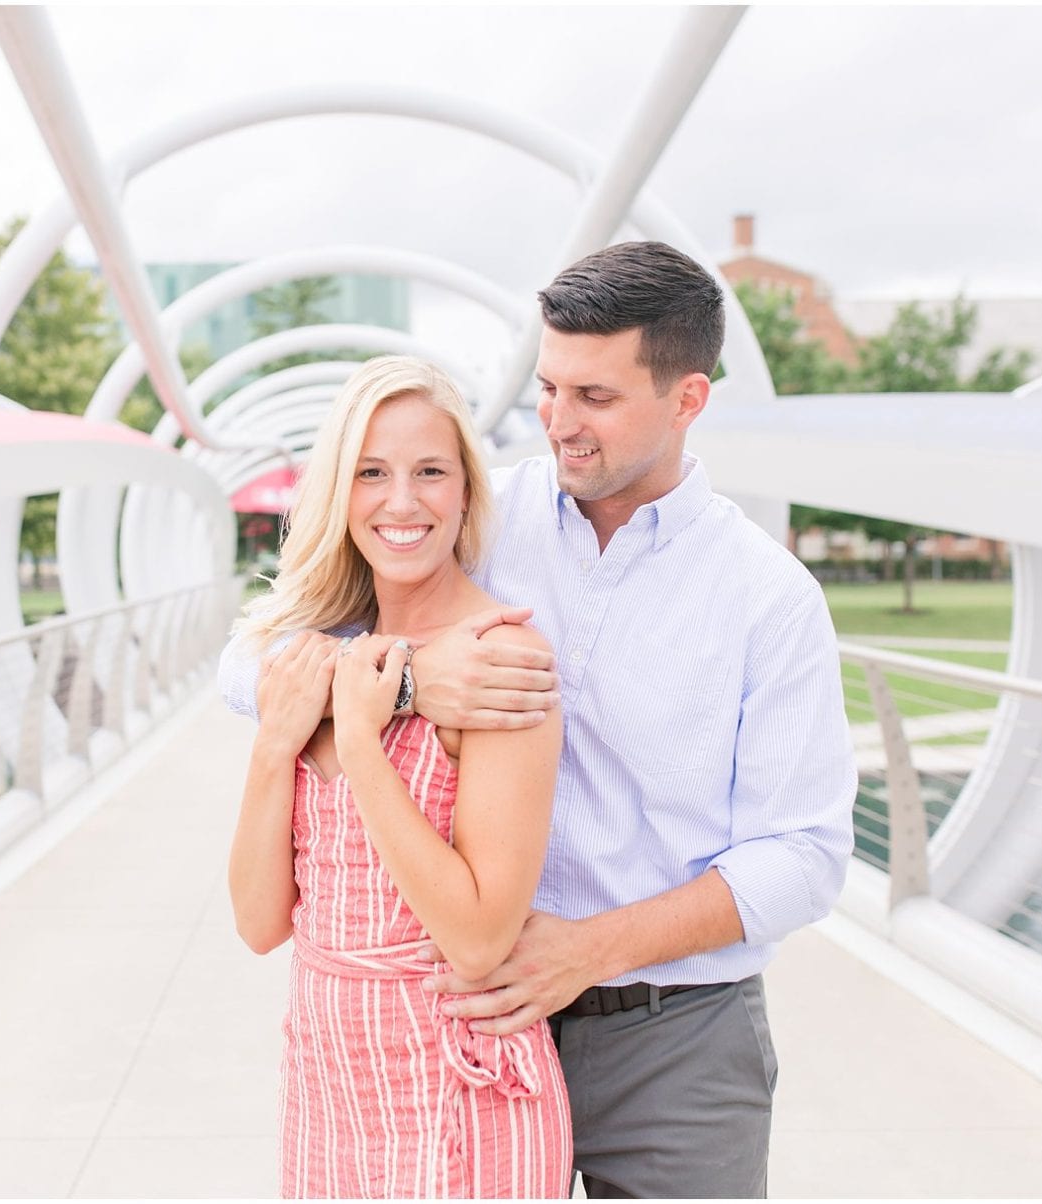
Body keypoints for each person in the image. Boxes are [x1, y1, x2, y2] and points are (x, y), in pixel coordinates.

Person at [219, 241, 857, 1198]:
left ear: (688, 399)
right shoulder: (476, 509)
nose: (560, 423)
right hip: (462, 1021)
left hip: (670, 1034)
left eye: (595, 398)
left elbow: (804, 856)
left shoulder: (769, 599)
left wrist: (590, 951)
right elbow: (252, 664)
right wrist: (407, 684)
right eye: (551, 389)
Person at [228, 355, 573, 1198]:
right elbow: (259, 923)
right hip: (328, 1074)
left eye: (430, 472)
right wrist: (277, 746)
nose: (403, 502)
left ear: (464, 493)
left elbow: (482, 938)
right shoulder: (316, 661)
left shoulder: (503, 662)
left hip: (459, 1080)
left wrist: (359, 747)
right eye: (371, 473)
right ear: (339, 494)